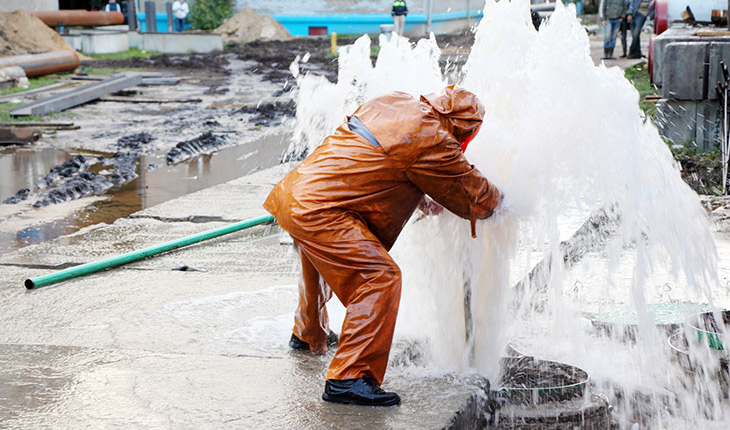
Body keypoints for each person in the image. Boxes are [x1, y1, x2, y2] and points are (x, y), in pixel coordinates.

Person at [263, 85, 502, 407]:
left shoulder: (392, 101)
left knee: (318, 263)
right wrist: (514, 203)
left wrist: (422, 198)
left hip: (296, 194)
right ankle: (349, 378)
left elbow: (379, 159)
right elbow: (480, 200)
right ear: (465, 128)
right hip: (324, 212)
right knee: (378, 278)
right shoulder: (433, 140)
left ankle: (308, 334)